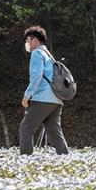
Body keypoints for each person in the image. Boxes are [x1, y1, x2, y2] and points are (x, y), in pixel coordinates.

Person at [19, 26, 69, 155]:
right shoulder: (48, 54)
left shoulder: (37, 53)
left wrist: (27, 95)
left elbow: (36, 76)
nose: (27, 44)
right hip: (57, 99)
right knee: (54, 131)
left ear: (34, 40)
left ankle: (25, 160)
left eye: (28, 40)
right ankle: (65, 158)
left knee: (26, 128)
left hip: (43, 98)